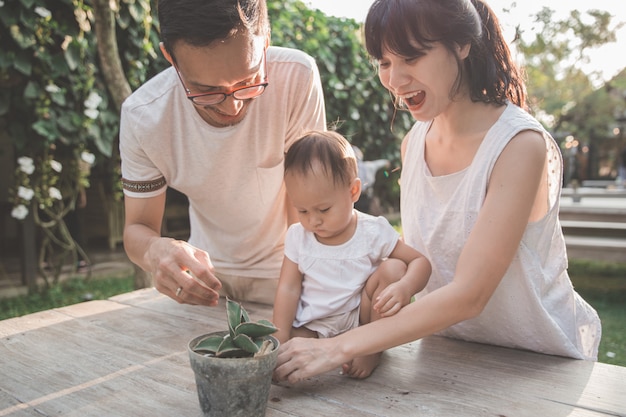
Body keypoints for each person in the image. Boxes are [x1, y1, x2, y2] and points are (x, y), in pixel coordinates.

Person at [274, 0, 601, 384]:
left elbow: (470, 294)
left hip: (540, 363)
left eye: (411, 57)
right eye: (383, 62)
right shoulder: (413, 144)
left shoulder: (519, 144)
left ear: (461, 44)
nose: (394, 80)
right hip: (448, 355)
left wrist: (338, 347)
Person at [119, 0, 326, 306]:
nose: (233, 106)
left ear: (266, 39)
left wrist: (298, 290)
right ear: (170, 57)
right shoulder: (144, 117)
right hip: (205, 282)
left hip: (291, 274)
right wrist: (155, 251)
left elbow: (309, 210)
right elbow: (138, 229)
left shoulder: (296, 78)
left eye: (249, 81)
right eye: (206, 91)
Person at [273, 131, 431, 378]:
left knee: (394, 269)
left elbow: (420, 262)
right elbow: (288, 288)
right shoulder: (297, 236)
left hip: (363, 322)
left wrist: (406, 287)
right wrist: (280, 334)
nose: (313, 220)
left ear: (353, 191)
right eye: (302, 210)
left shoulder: (373, 231)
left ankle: (372, 348)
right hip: (313, 324)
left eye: (324, 209)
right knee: (285, 363)